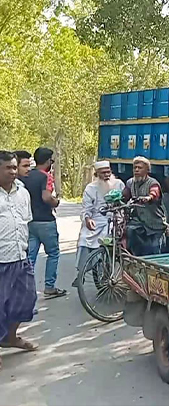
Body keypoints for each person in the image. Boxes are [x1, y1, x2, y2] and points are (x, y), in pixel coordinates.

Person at [0, 151, 38, 369]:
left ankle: (10, 337)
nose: (13, 172)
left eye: (15, 167)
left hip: (20, 257)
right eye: (8, 168)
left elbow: (26, 223)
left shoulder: (23, 193)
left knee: (26, 300)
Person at [74, 161, 125, 287]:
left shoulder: (119, 184)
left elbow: (125, 202)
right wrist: (87, 219)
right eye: (103, 173)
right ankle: (82, 273)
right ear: (97, 174)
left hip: (115, 218)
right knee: (84, 239)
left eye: (108, 172)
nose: (107, 175)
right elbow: (86, 208)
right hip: (97, 219)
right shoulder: (91, 188)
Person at [24, 147, 66, 299]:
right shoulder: (45, 176)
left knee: (30, 256)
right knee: (53, 253)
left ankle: (26, 287)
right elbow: (46, 197)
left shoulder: (26, 176)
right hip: (46, 221)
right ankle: (49, 287)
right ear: (48, 161)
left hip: (30, 221)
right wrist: (56, 202)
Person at [123, 156, 167, 256]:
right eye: (135, 168)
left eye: (140, 168)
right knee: (129, 231)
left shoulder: (153, 183)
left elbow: (154, 193)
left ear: (147, 170)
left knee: (155, 251)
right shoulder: (130, 182)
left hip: (155, 223)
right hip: (138, 221)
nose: (136, 170)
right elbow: (124, 195)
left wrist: (148, 198)